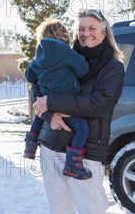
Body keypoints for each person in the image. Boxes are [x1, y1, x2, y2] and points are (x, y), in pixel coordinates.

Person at [31, 9, 135, 214]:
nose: (86, 34)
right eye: (81, 29)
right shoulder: (60, 54)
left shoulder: (113, 67)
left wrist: (52, 101)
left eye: (92, 28)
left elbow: (98, 103)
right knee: (60, 209)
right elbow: (36, 87)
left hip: (86, 150)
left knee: (93, 213)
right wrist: (50, 113)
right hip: (51, 143)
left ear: (104, 32)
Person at [24, 18, 92, 180]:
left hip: (46, 104)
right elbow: (83, 70)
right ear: (65, 36)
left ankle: (30, 145)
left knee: (40, 116)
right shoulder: (68, 53)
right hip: (67, 103)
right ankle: (73, 165)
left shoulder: (38, 58)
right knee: (82, 129)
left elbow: (30, 77)